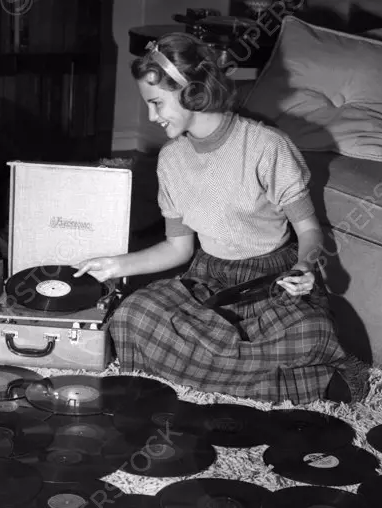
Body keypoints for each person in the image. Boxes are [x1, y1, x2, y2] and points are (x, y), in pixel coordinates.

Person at [74, 34, 347, 403]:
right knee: (133, 316)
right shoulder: (171, 160)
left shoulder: (268, 146)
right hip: (209, 278)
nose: (152, 117)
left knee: (311, 332)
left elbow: (310, 230)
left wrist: (303, 266)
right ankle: (287, 379)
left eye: (156, 103)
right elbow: (178, 248)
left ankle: (215, 366)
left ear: (190, 92)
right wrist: (115, 265)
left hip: (271, 278)